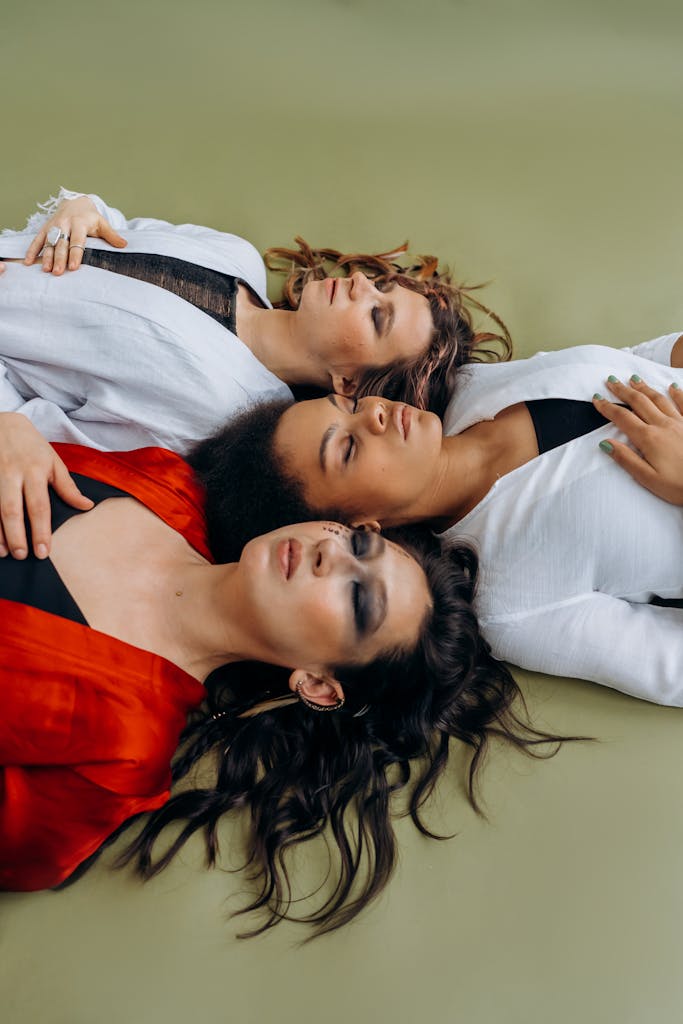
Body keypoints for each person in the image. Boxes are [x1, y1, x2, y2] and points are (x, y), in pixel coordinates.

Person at [0, 426, 560, 936]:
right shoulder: (166, 481)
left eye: (358, 598)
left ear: (318, 684)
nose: (330, 555)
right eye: (357, 543)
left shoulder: (122, 747)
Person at [186, 333, 683, 705]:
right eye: (350, 447)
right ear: (356, 524)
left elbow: (638, 368)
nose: (376, 412)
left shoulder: (472, 386)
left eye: (352, 406)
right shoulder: (511, 602)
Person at [0, 187, 510, 455]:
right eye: (380, 286)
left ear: (349, 382)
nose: (359, 283)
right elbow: (120, 228)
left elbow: (44, 431)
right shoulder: (235, 257)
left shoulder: (216, 410)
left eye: (377, 315)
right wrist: (82, 208)